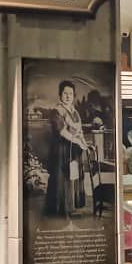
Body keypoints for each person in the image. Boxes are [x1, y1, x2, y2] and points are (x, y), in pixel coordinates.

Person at [44, 80, 88, 218]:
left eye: (70, 94)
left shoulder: (75, 112)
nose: (68, 96)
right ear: (60, 95)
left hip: (73, 149)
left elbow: (79, 131)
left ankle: (72, 207)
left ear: (73, 96)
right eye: (65, 93)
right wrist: (77, 141)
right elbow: (62, 131)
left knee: (73, 175)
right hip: (61, 149)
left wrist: (83, 142)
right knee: (61, 177)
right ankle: (59, 209)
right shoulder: (57, 111)